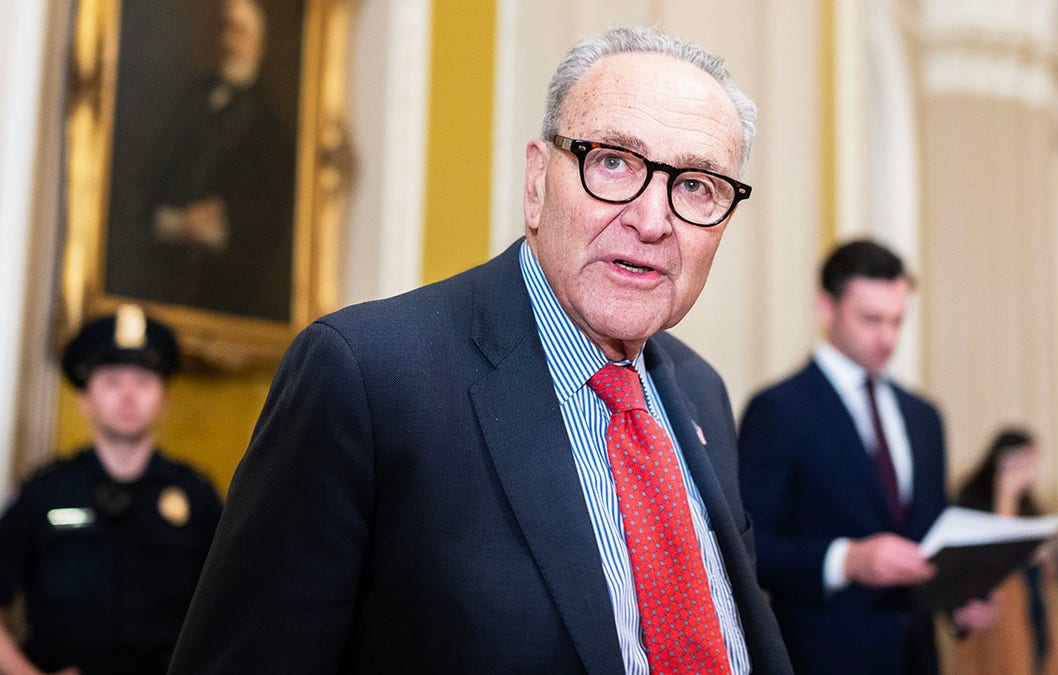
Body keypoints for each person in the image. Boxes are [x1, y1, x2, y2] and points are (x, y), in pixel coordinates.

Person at [168, 26, 792, 673]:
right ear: (535, 182)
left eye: (696, 186)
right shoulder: (367, 377)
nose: (653, 218)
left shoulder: (702, 394)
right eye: (613, 161)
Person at [737, 238, 993, 674]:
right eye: (872, 319)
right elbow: (748, 549)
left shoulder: (923, 416)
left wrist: (960, 595)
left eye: (897, 321)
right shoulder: (779, 409)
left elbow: (930, 537)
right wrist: (848, 560)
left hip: (918, 657)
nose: (888, 338)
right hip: (824, 656)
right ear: (826, 308)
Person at [0, 305, 222, 675]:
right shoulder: (43, 493)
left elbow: (232, 604)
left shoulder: (197, 497)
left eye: (143, 381)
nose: (129, 396)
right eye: (113, 381)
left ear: (164, 400)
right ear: (84, 399)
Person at [105, 0, 293, 321]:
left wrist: (224, 215)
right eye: (225, 29)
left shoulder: (270, 126)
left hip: (227, 283)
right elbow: (154, 173)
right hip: (163, 265)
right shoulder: (193, 99)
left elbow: (272, 213)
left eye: (240, 33)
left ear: (259, 47)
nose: (229, 42)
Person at [953, 428, 1058, 675]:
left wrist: (1046, 554)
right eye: (1024, 461)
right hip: (995, 622)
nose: (1031, 469)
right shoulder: (972, 500)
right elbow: (986, 560)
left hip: (1034, 609)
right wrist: (1006, 493)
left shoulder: (1030, 503)